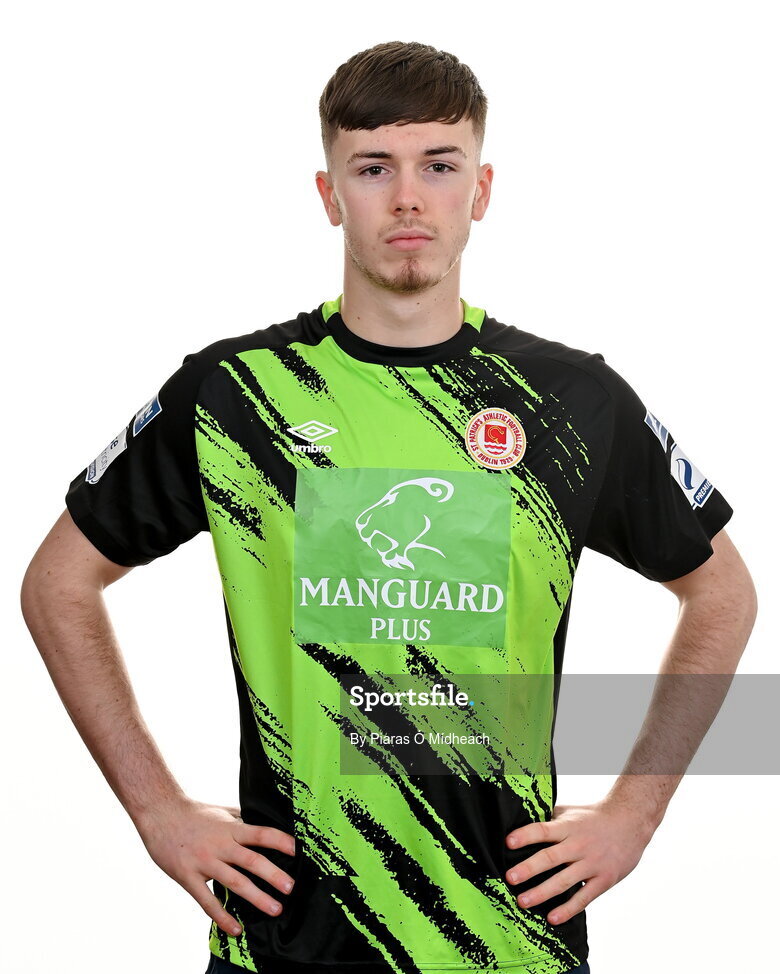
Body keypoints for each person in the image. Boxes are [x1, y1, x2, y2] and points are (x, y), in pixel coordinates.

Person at [20, 40, 756, 974]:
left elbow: (726, 594)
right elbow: (56, 585)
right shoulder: (236, 395)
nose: (407, 198)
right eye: (373, 169)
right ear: (330, 195)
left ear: (480, 190)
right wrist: (155, 810)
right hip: (287, 940)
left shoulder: (574, 402)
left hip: (509, 937)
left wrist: (635, 812)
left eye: (438, 166)